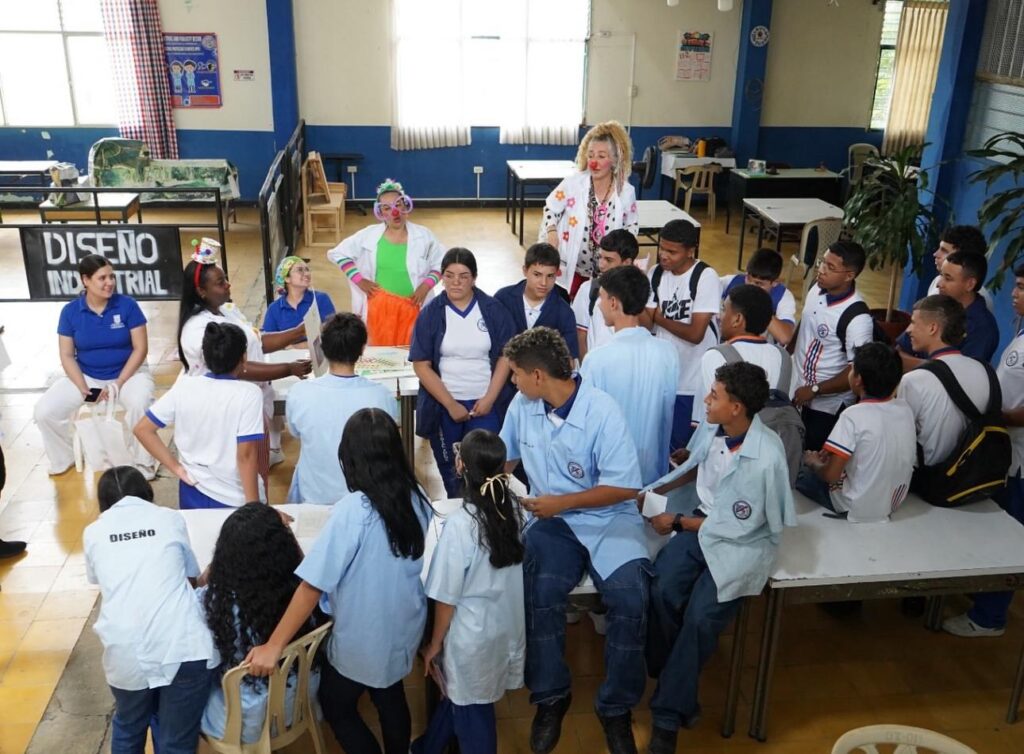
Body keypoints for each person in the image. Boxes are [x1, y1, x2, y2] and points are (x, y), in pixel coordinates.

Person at [244, 409, 432, 754]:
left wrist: (273, 645)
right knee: (390, 695)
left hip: (364, 636)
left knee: (336, 705)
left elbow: (312, 586)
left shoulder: (355, 510)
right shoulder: (417, 496)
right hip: (404, 626)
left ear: (350, 457)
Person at [499, 327, 648, 754]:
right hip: (554, 523)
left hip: (608, 518)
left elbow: (624, 487)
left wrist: (562, 502)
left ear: (538, 376)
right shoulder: (523, 405)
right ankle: (551, 695)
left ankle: (616, 707)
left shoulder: (602, 411)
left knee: (632, 599)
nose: (512, 382)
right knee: (540, 591)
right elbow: (504, 458)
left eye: (515, 374)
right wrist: (479, 464)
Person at [643, 363, 796, 754]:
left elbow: (738, 525)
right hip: (702, 525)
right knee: (661, 587)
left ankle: (667, 715)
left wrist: (677, 521)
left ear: (737, 408)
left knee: (699, 618)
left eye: (715, 395)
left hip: (740, 543)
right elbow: (694, 465)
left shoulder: (765, 458)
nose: (707, 400)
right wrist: (654, 490)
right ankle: (675, 675)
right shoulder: (714, 429)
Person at [83, 466, 217, 754]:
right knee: (176, 741)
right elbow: (191, 580)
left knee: (129, 727)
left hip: (125, 652)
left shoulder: (93, 533)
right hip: (184, 647)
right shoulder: (170, 519)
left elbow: (103, 581)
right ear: (147, 492)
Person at [415, 430, 525, 754]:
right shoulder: (514, 511)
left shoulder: (462, 525)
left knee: (473, 716)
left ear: (461, 465)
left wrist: (434, 645)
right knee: (462, 699)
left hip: (471, 639)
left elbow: (446, 599)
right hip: (504, 628)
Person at [944, 264, 1024, 638]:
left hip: (1019, 459)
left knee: (1008, 534)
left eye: (1021, 287)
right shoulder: (1021, 332)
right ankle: (982, 593)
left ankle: (990, 617)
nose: (1014, 293)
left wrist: (996, 415)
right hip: (1005, 447)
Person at [178, 243, 310, 467]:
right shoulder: (198, 329)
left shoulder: (227, 311)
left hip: (253, 402)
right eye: (220, 283)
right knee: (243, 467)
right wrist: (287, 369)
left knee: (258, 466)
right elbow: (236, 368)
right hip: (227, 412)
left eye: (225, 279)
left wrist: (298, 331)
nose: (228, 285)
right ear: (201, 291)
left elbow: (257, 341)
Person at [200, 503, 321, 744]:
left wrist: (215, 566)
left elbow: (201, 582)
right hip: (296, 702)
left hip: (242, 719)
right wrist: (283, 532)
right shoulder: (302, 594)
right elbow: (304, 567)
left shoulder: (218, 603)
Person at [34, 254, 155, 478]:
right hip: (88, 376)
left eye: (111, 277)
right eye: (102, 278)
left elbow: (140, 349)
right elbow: (67, 355)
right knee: (44, 412)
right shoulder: (70, 312)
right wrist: (84, 388)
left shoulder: (127, 305)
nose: (109, 282)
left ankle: (143, 463)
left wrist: (119, 383)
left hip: (129, 375)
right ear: (86, 280)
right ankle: (63, 458)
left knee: (140, 404)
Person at [410, 248, 516, 497]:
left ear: (474, 278)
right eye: (449, 275)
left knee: (486, 471)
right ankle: (458, 517)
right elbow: (421, 364)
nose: (456, 282)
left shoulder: (493, 309)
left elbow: (506, 355)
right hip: (445, 406)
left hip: (484, 404)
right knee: (452, 475)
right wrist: (450, 404)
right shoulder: (431, 314)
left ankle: (487, 516)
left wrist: (489, 399)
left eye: (463, 276)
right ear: (442, 277)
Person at [135, 323, 264, 509]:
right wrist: (254, 508)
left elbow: (142, 429)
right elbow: (246, 455)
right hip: (235, 497)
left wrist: (176, 468)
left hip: (192, 490)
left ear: (204, 356)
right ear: (244, 357)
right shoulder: (249, 394)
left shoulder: (184, 386)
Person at [580, 265, 678, 487]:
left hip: (609, 474)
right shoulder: (668, 352)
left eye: (602, 297)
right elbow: (666, 417)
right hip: (652, 472)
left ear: (614, 302)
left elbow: (588, 423)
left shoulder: (597, 359)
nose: (599, 304)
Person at [797, 343, 916, 523]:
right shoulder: (904, 408)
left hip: (854, 506)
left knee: (801, 470)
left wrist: (813, 462)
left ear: (857, 379)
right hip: (891, 502)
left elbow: (831, 476)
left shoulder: (852, 415)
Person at [286, 313, 397, 504]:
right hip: (366, 499)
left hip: (314, 497)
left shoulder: (299, 392)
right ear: (362, 349)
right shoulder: (381, 395)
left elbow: (295, 433)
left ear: (322, 347)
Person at [328, 178, 445, 345]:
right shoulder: (368, 235)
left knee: (414, 351)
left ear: (406, 206)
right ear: (380, 213)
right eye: (387, 208)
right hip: (379, 312)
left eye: (398, 204)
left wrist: (426, 286)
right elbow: (338, 253)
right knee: (380, 354)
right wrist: (359, 280)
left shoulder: (424, 236)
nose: (394, 212)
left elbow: (441, 263)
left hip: (414, 309)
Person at [542, 121, 639, 299]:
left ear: (615, 160)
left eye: (601, 156)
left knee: (599, 310)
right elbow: (550, 208)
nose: (594, 162)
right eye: (591, 155)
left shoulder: (625, 192)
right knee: (567, 308)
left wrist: (623, 256)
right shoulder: (573, 184)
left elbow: (631, 227)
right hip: (572, 269)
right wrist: (551, 231)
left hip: (607, 274)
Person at [647, 219, 721, 451]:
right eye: (662, 248)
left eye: (672, 252)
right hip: (663, 379)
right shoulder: (655, 274)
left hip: (693, 381)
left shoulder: (705, 276)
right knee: (659, 444)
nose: (664, 256)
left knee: (683, 447)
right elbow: (646, 324)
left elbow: (696, 333)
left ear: (690, 251)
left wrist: (659, 319)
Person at [792, 241, 874, 451]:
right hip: (799, 390)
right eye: (822, 262)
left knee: (812, 456)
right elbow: (806, 321)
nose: (821, 270)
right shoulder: (817, 287)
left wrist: (815, 389)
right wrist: (787, 352)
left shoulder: (857, 318)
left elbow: (857, 371)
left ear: (849, 275)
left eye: (830, 267)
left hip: (827, 407)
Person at [897, 295, 991, 467]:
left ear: (933, 328)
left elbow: (900, 440)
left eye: (913, 323)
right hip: (970, 475)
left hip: (927, 476)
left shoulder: (913, 380)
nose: (908, 330)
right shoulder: (984, 370)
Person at [693, 284, 793, 426]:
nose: (719, 316)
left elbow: (705, 417)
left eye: (723, 309)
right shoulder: (783, 357)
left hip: (727, 439)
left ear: (737, 319)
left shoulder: (716, 355)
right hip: (773, 437)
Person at [897, 251, 998, 364]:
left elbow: (961, 371)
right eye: (941, 275)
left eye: (948, 278)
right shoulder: (934, 305)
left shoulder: (982, 329)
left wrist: (924, 368)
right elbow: (900, 349)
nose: (939, 284)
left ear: (970, 284)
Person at [494, 242, 579, 359]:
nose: (544, 283)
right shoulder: (502, 299)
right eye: (537, 274)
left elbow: (569, 359)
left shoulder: (565, 313)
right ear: (525, 270)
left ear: (557, 274)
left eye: (550, 276)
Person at [572, 229, 646, 360]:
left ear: (627, 262)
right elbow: (580, 335)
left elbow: (647, 327)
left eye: (609, 260)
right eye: (600, 257)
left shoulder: (642, 290)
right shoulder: (587, 289)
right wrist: (588, 368)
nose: (601, 265)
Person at [718, 248, 797, 346]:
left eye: (758, 283)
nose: (751, 286)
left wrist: (759, 307)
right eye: (748, 279)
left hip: (760, 351)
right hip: (726, 345)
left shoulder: (784, 297)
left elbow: (785, 338)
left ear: (775, 282)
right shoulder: (731, 282)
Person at [261, 255, 336, 338]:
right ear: (287, 278)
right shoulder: (274, 309)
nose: (307, 273)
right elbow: (267, 341)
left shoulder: (321, 299)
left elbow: (333, 335)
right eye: (300, 270)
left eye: (307, 269)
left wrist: (295, 345)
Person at [926, 225, 993, 311]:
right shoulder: (937, 281)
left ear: (963, 257)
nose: (935, 254)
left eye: (944, 251)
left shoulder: (978, 300)